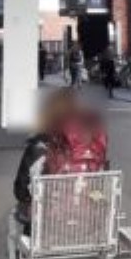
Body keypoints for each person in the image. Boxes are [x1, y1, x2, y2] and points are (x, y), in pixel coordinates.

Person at [12, 88, 108, 236]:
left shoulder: (39, 147)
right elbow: (101, 187)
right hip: (88, 226)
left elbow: (21, 191)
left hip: (47, 228)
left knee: (21, 209)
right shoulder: (92, 147)